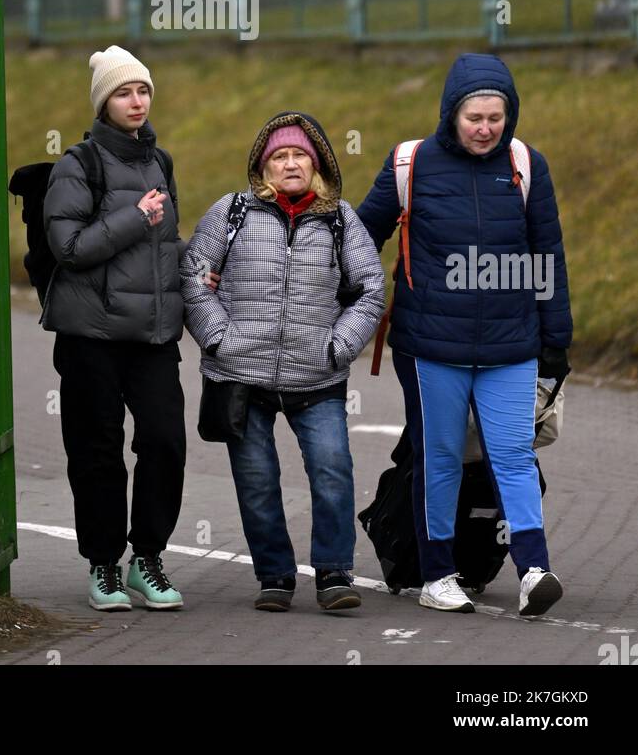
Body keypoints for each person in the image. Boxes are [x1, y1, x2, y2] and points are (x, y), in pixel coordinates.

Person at [356, 53, 572, 617]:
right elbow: (359, 237)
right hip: (430, 347)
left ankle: (534, 570)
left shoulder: (527, 166)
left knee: (513, 455)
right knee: (442, 456)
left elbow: (547, 254)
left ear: (510, 116)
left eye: (496, 118)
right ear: (452, 113)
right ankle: (437, 575)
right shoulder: (411, 164)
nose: (485, 128)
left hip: (510, 345)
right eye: (475, 116)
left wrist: (557, 341)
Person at [181, 111, 385, 613]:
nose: (290, 164)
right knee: (256, 482)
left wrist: (339, 347)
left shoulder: (342, 220)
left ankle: (334, 574)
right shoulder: (230, 213)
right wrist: (217, 338)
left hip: (317, 376)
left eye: (299, 155)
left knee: (333, 471)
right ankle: (275, 576)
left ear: (316, 166)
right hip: (240, 376)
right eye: (279, 156)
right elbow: (193, 275)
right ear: (263, 168)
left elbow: (371, 290)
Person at [41, 45, 189, 613]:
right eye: (125, 92)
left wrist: (198, 259)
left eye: (144, 91)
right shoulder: (77, 164)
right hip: (90, 337)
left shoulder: (161, 162)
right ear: (104, 102)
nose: (137, 101)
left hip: (152, 336)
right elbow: (69, 247)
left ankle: (145, 558)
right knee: (97, 451)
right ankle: (103, 564)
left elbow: (162, 245)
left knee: (166, 444)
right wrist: (136, 218)